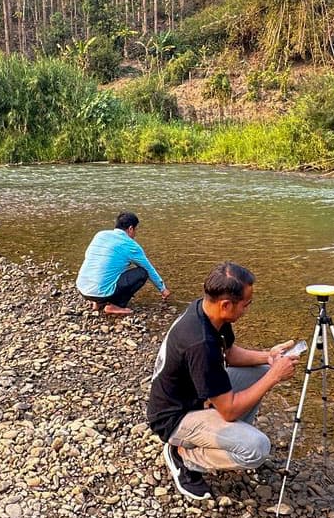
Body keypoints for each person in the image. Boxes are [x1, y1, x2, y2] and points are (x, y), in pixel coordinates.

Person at [147, 262, 298, 501]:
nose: (247, 309)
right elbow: (229, 411)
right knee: (257, 449)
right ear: (226, 305)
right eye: (246, 304)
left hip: (193, 398)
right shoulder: (200, 343)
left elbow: (230, 353)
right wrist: (275, 375)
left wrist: (269, 358)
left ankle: (224, 437)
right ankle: (185, 458)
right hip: (174, 418)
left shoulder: (207, 311)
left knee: (258, 370)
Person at [75, 212, 170, 316]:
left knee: (107, 267)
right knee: (142, 273)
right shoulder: (130, 245)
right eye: (135, 229)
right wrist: (163, 289)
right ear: (130, 229)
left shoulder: (100, 235)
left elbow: (89, 256)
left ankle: (97, 303)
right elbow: (148, 268)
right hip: (100, 292)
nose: (135, 233)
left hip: (82, 288)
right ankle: (115, 305)